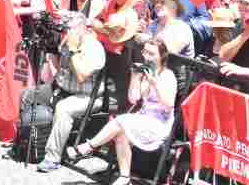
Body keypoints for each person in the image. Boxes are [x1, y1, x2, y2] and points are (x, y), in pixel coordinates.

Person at [69, 38, 177, 185]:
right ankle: (125, 177)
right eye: (145, 52)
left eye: (152, 53)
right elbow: (134, 99)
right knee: (121, 133)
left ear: (161, 56)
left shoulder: (167, 75)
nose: (147, 56)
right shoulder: (145, 73)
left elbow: (169, 105)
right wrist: (135, 76)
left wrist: (155, 85)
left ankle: (89, 147)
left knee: (120, 121)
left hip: (159, 124)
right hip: (143, 118)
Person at [31, 13, 107, 173]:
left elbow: (81, 76)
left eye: (69, 29)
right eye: (64, 28)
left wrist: (72, 50)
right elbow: (58, 66)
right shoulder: (66, 38)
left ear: (82, 29)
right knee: (28, 96)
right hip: (62, 87)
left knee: (64, 109)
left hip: (87, 96)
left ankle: (52, 158)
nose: (65, 32)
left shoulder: (94, 48)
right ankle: (25, 141)